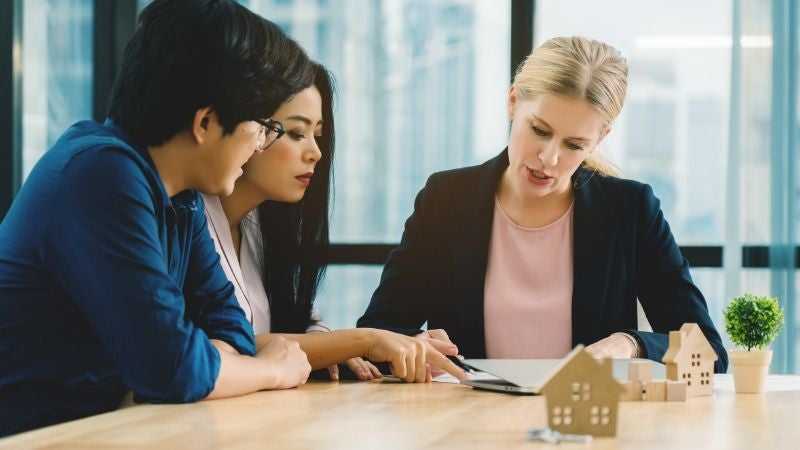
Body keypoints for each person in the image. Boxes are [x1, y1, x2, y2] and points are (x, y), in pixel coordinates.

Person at [0, 0, 316, 436]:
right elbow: (171, 367)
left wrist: (199, 368)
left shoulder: (181, 194)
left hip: (102, 432)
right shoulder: (100, 174)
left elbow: (230, 326)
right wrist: (271, 372)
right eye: (262, 126)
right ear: (205, 122)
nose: (260, 144)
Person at [357, 36, 728, 373]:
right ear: (513, 101)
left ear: (600, 138)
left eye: (573, 145)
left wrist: (629, 343)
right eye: (539, 130)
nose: (549, 158)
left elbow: (708, 350)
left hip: (584, 434)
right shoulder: (446, 200)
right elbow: (376, 336)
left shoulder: (630, 210)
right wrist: (411, 347)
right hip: (464, 426)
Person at [203, 62, 465, 382]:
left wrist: (380, 348)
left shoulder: (259, 227)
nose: (316, 153)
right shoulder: (187, 222)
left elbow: (300, 325)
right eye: (297, 133)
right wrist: (360, 341)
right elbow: (220, 348)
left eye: (317, 136)